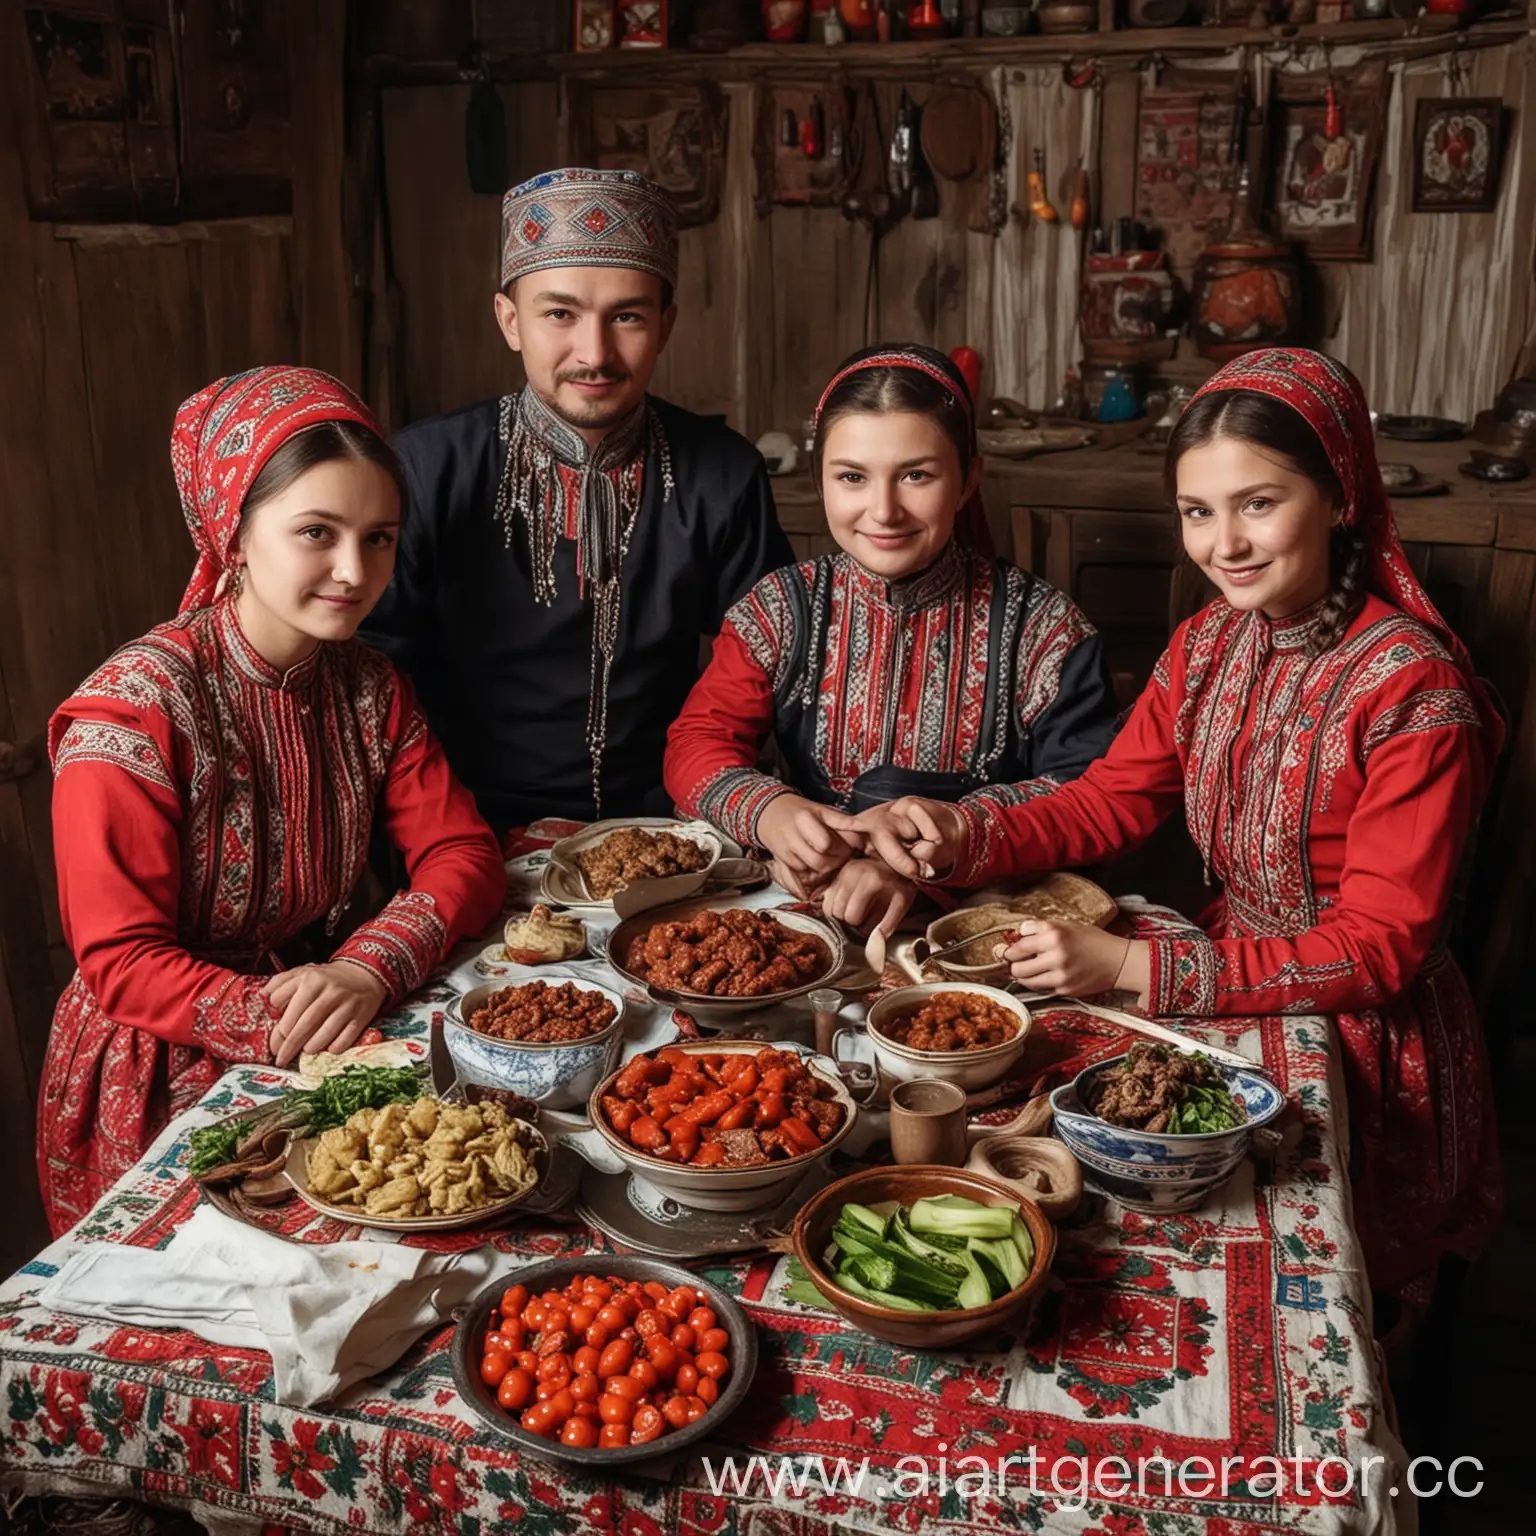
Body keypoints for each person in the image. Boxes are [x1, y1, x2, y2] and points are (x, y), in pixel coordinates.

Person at [855, 348, 1504, 1297]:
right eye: (1199, 512)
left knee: (1335, 1288)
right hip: (1225, 979)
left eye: (1258, 503)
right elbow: (1110, 799)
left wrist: (1130, 967)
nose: (1224, 544)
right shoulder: (1206, 647)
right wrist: (966, 832)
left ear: (1340, 497)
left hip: (1365, 1029)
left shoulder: (1412, 690)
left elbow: (1379, 949)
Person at [39, 367, 507, 1235]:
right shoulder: (136, 711)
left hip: (320, 1010)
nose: (352, 570)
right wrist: (295, 1014)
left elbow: (463, 853)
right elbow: (121, 961)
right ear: (235, 534)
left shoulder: (370, 686)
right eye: (316, 533)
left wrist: (369, 966)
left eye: (378, 538)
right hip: (159, 1057)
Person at [361, 168, 793, 833]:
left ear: (666, 325)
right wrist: (452, 842)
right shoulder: (426, 469)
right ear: (510, 321)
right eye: (560, 314)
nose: (595, 353)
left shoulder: (721, 473)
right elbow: (372, 689)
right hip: (463, 839)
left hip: (674, 838)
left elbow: (771, 667)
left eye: (626, 317)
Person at [663, 345, 1118, 937]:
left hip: (980, 922)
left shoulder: (1047, 630)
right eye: (852, 476)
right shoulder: (779, 609)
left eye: (916, 475)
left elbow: (1083, 795)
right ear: (820, 479)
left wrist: (921, 863)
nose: (883, 510)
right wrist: (771, 812)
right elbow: (698, 741)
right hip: (804, 913)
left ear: (967, 481)